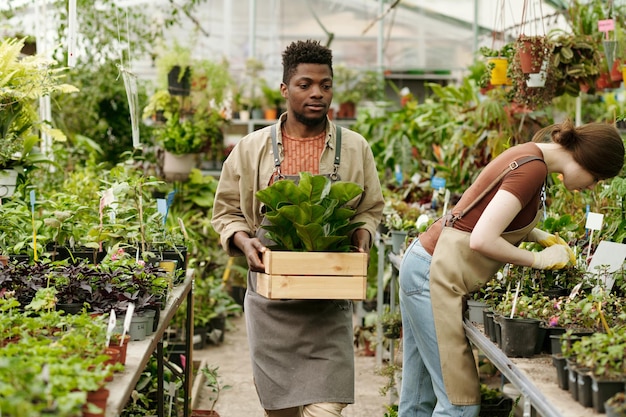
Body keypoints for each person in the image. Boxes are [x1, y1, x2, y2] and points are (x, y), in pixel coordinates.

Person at [398, 119, 625, 417]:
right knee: (459, 404)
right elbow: (481, 239)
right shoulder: (533, 169)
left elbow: (483, 215)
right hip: (433, 275)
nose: (592, 186)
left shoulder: (530, 154)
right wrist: (538, 260)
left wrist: (534, 234)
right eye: (596, 178)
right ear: (586, 160)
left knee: (418, 397)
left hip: (424, 263)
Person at [211, 39, 384, 417]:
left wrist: (362, 235)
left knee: (327, 407)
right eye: (305, 85)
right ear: (285, 89)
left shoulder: (356, 148)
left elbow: (371, 209)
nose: (317, 94)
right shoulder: (250, 148)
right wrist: (243, 241)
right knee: (283, 411)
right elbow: (225, 212)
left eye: (325, 85)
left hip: (329, 302)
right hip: (272, 305)